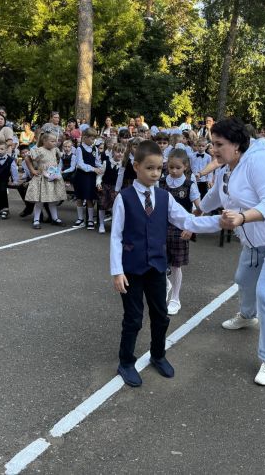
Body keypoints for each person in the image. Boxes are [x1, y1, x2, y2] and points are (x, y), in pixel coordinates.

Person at [201, 117, 265, 386]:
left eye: (219, 144)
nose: (213, 149)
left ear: (237, 145)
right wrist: (191, 215)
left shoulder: (259, 161)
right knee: (243, 279)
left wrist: (243, 218)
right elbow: (215, 195)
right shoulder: (228, 167)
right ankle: (248, 317)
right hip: (254, 240)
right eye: (212, 143)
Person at [110, 140, 221, 387]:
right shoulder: (124, 198)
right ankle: (126, 361)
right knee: (133, 318)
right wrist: (117, 271)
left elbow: (187, 221)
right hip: (131, 270)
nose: (155, 173)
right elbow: (116, 236)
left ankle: (158, 354)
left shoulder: (164, 197)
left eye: (159, 169)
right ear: (136, 166)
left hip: (157, 267)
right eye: (149, 168)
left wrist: (218, 222)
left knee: (161, 316)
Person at [159, 149, 202, 316]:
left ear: (185, 167)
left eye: (177, 167)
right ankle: (165, 285)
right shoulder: (161, 182)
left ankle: (175, 299)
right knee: (159, 262)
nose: (174, 171)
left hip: (180, 230)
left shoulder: (190, 185)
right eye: (170, 167)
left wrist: (190, 227)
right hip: (161, 228)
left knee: (176, 266)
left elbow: (200, 208)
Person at [25, 132, 66, 229]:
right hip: (42, 178)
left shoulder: (55, 150)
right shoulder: (38, 150)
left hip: (52, 177)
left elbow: (60, 157)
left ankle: (55, 218)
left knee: (52, 200)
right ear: (44, 141)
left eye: (56, 141)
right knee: (40, 201)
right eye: (52, 141)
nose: (55, 143)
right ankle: (36, 220)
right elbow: (27, 158)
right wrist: (32, 170)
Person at [73, 128, 103, 229]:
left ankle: (90, 220)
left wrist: (100, 168)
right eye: (91, 138)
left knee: (90, 198)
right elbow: (80, 164)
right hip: (81, 176)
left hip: (91, 177)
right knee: (80, 197)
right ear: (85, 138)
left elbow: (97, 161)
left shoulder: (95, 149)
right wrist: (93, 169)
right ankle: (80, 219)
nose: (93, 141)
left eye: (94, 139)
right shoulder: (79, 149)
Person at [96, 143, 124, 234]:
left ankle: (115, 226)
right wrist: (98, 183)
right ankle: (101, 224)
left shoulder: (123, 165)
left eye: (122, 152)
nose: (120, 154)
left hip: (116, 189)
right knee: (102, 205)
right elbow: (100, 175)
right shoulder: (106, 162)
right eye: (117, 151)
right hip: (105, 187)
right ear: (113, 152)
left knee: (115, 208)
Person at [0, 140, 19, 219]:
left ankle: (5, 209)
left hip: (4, 179)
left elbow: (14, 171)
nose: (0, 151)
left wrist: (15, 180)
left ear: (6, 150)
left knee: (3, 191)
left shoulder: (10, 160)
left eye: (2, 149)